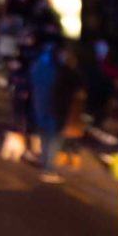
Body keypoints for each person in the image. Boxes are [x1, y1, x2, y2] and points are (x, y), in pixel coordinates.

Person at [29, 39, 79, 184]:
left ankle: (44, 164)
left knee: (45, 138)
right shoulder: (62, 70)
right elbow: (75, 84)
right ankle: (49, 170)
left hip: (39, 107)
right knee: (54, 140)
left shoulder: (39, 66)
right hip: (56, 109)